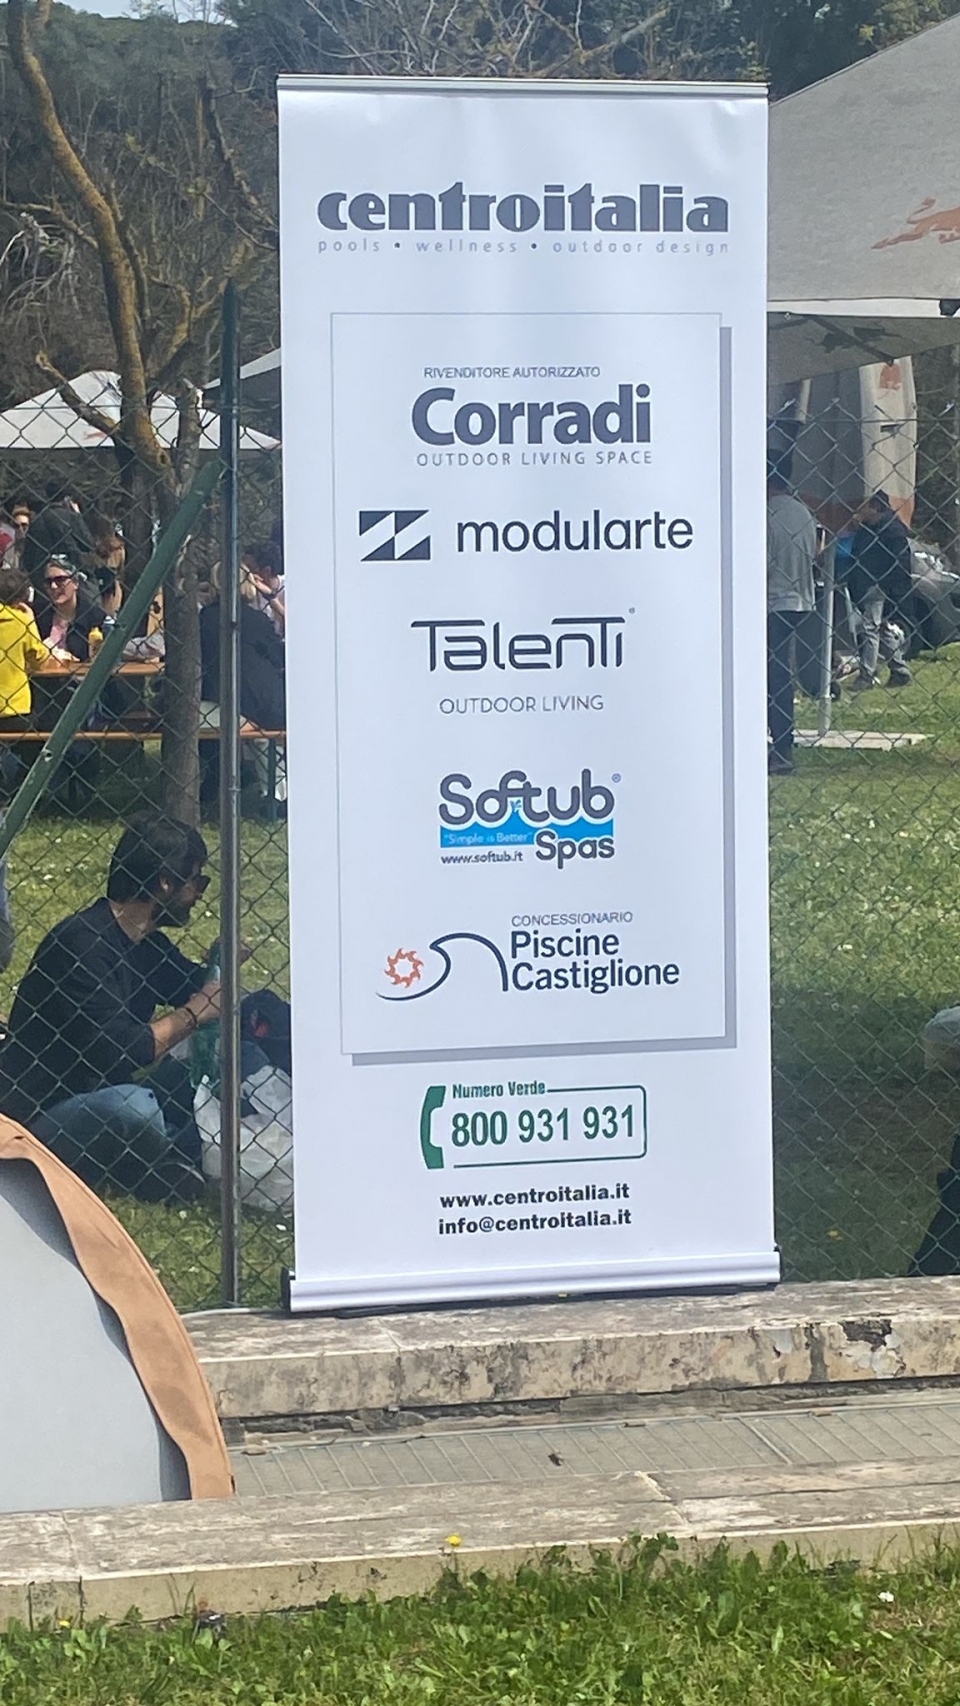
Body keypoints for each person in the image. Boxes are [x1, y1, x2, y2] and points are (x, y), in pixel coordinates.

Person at [0, 815, 222, 1200]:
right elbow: (124, 1048)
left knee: (198, 1075)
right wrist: (193, 1013)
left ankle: (164, 1159)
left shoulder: (145, 945)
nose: (200, 893)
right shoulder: (82, 945)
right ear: (165, 882)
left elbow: (196, 984)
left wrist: (221, 963)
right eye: (196, 881)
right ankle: (154, 1166)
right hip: (40, 1115)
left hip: (102, 1094)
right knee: (135, 1109)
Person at [199, 565, 286, 813]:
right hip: (268, 704)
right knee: (262, 734)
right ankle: (277, 796)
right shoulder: (258, 619)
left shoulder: (205, 619)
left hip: (228, 705)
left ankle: (219, 779)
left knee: (184, 714)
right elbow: (279, 657)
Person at [767, 466, 817, 777]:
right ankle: (782, 742)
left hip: (772, 601)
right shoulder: (803, 513)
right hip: (800, 598)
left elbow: (761, 563)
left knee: (773, 674)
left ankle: (780, 744)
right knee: (780, 670)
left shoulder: (766, 515)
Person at [848, 490, 913, 689]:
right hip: (867, 583)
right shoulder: (868, 528)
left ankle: (867, 675)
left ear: (876, 507)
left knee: (869, 628)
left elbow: (901, 561)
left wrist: (887, 585)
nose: (859, 510)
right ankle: (899, 670)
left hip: (878, 584)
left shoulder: (892, 529)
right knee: (880, 627)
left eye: (864, 506)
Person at [22, 482, 95, 594]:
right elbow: (88, 544)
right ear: (66, 499)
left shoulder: (36, 521)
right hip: (71, 572)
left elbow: (28, 555)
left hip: (42, 577)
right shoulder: (71, 517)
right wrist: (78, 515)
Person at [35, 554, 107, 661]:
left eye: (60, 580)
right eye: (49, 582)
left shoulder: (95, 617)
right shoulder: (39, 615)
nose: (53, 586)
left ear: (75, 583)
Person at [243, 541, 285, 633]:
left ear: (266, 571)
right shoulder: (248, 589)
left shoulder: (288, 587)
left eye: (249, 567)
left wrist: (272, 598)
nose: (244, 571)